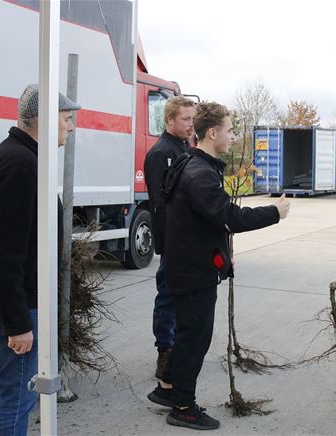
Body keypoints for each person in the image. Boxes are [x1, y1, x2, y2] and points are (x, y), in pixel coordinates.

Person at [160, 102, 290, 430]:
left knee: (189, 334)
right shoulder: (198, 172)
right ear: (213, 132)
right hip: (192, 272)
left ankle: (166, 389)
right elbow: (229, 217)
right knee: (195, 338)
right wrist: (274, 212)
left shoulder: (194, 163)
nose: (234, 136)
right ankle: (183, 407)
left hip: (189, 266)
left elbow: (206, 220)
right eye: (231, 130)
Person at [0, 83, 80, 435]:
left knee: (1, 392)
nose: (70, 127)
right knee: (16, 399)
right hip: (15, 307)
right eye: (66, 119)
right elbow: (0, 251)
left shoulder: (15, 156)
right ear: (44, 120)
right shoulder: (21, 165)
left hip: (6, 305)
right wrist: (17, 322)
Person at [143, 96, 195, 404]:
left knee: (177, 297)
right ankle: (165, 352)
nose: (191, 124)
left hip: (185, 242)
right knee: (166, 296)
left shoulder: (185, 149)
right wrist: (167, 242)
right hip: (172, 242)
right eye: (186, 119)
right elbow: (161, 206)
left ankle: (175, 349)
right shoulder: (161, 153)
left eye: (192, 119)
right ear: (170, 121)